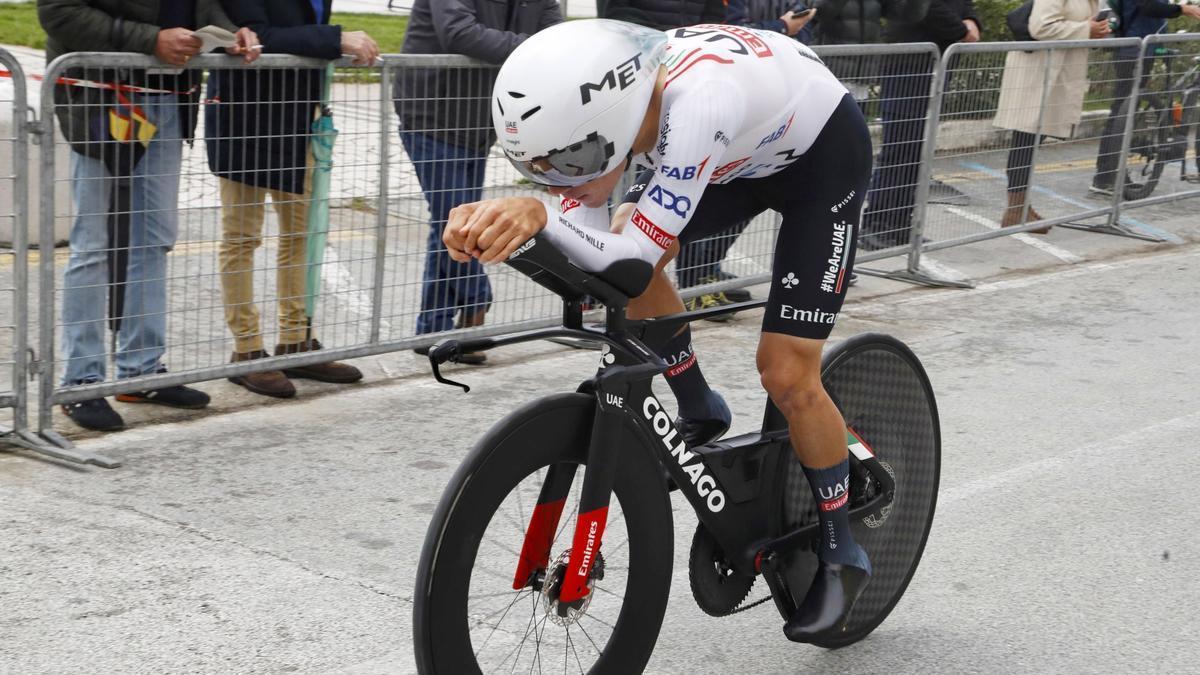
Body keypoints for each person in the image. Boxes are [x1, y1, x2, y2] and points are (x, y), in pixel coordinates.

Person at [444, 20, 874, 641]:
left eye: (566, 160)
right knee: (617, 234)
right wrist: (501, 234)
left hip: (820, 163)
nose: (558, 179)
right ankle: (700, 402)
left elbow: (632, 258)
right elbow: (590, 262)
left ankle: (842, 549)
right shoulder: (604, 112)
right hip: (739, 158)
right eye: (535, 167)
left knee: (786, 372)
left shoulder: (698, 101)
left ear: (614, 122)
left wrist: (540, 218)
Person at [38, 0, 259, 431]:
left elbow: (201, 6)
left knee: (154, 238)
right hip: (102, 99)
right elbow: (57, 11)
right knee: (93, 243)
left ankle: (140, 371)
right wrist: (149, 40)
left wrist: (233, 34)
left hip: (167, 100)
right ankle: (80, 382)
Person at [206, 0, 373, 398]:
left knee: (300, 234)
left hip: (297, 115)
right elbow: (257, 32)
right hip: (243, 113)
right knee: (241, 239)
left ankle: (296, 341)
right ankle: (247, 352)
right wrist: (338, 40)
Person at [394, 0, 562, 364]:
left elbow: (556, 38)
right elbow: (459, 32)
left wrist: (533, 46)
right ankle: (475, 306)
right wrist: (532, 47)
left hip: (477, 121)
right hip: (432, 114)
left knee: (451, 220)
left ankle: (433, 329)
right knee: (458, 221)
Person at [604, 0, 757, 316]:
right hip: (650, 75)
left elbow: (715, 18)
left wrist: (687, 54)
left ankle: (692, 282)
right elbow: (620, 15)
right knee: (631, 231)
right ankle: (612, 298)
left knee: (667, 218)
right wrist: (660, 53)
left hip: (691, 81)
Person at [859, 0, 979, 250]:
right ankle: (876, 223)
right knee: (899, 147)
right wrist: (961, 31)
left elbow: (966, 7)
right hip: (907, 64)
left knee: (916, 152)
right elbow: (925, 9)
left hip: (935, 67)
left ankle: (901, 222)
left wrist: (972, 23)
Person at [993, 0, 1110, 230]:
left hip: (1054, 73)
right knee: (1025, 139)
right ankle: (1015, 211)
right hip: (1037, 73)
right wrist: (1087, 29)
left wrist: (1096, 32)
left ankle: (1020, 208)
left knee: (1032, 140)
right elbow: (1041, 27)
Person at [1091, 0, 1200, 194]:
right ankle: (1106, 176)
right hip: (1133, 49)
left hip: (1142, 48)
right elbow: (1148, 7)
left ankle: (1114, 174)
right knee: (1121, 113)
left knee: (1127, 113)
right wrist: (1184, 9)